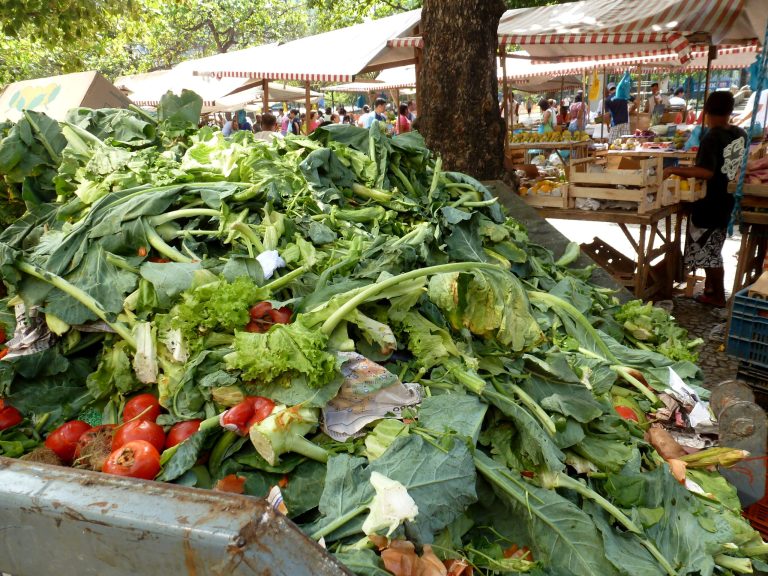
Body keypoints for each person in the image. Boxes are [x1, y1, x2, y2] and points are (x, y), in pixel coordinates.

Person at [662, 91, 748, 307]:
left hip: (710, 201)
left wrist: (672, 169)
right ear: (730, 111)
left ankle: (718, 296)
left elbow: (706, 172)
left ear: (707, 111)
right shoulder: (740, 133)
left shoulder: (712, 137)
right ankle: (710, 290)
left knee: (710, 253)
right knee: (714, 247)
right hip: (728, 198)